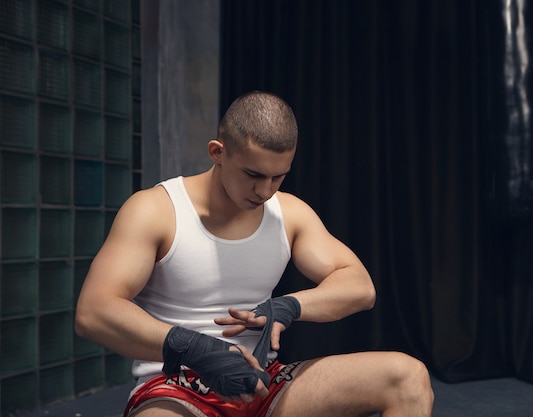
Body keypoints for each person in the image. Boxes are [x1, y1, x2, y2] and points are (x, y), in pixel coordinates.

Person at [75, 91, 434, 417]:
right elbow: (94, 311)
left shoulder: (288, 213)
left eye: (278, 177)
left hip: (264, 384)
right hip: (176, 388)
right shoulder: (156, 210)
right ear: (218, 152)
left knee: (407, 376)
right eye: (253, 174)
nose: (265, 190)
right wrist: (197, 350)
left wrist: (287, 307)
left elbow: (359, 286)